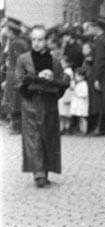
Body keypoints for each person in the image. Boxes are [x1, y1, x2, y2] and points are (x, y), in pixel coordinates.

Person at [14, 24, 68, 187]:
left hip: (49, 105)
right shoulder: (23, 59)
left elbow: (60, 83)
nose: (37, 43)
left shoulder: (54, 60)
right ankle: (38, 174)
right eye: (34, 39)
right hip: (31, 104)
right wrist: (32, 85)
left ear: (46, 41)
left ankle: (45, 171)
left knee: (48, 137)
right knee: (34, 138)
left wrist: (53, 85)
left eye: (41, 39)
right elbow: (18, 81)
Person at [91, 19, 105, 134]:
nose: (92, 29)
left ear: (98, 28)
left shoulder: (100, 41)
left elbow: (100, 60)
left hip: (102, 74)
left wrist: (97, 78)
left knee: (101, 101)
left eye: (94, 27)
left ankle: (100, 127)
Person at [71, 67, 89, 135]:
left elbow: (84, 94)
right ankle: (81, 130)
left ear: (82, 76)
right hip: (78, 103)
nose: (76, 77)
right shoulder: (78, 83)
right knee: (80, 118)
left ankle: (84, 130)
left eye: (77, 76)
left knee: (83, 118)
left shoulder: (84, 84)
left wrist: (77, 94)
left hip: (82, 103)